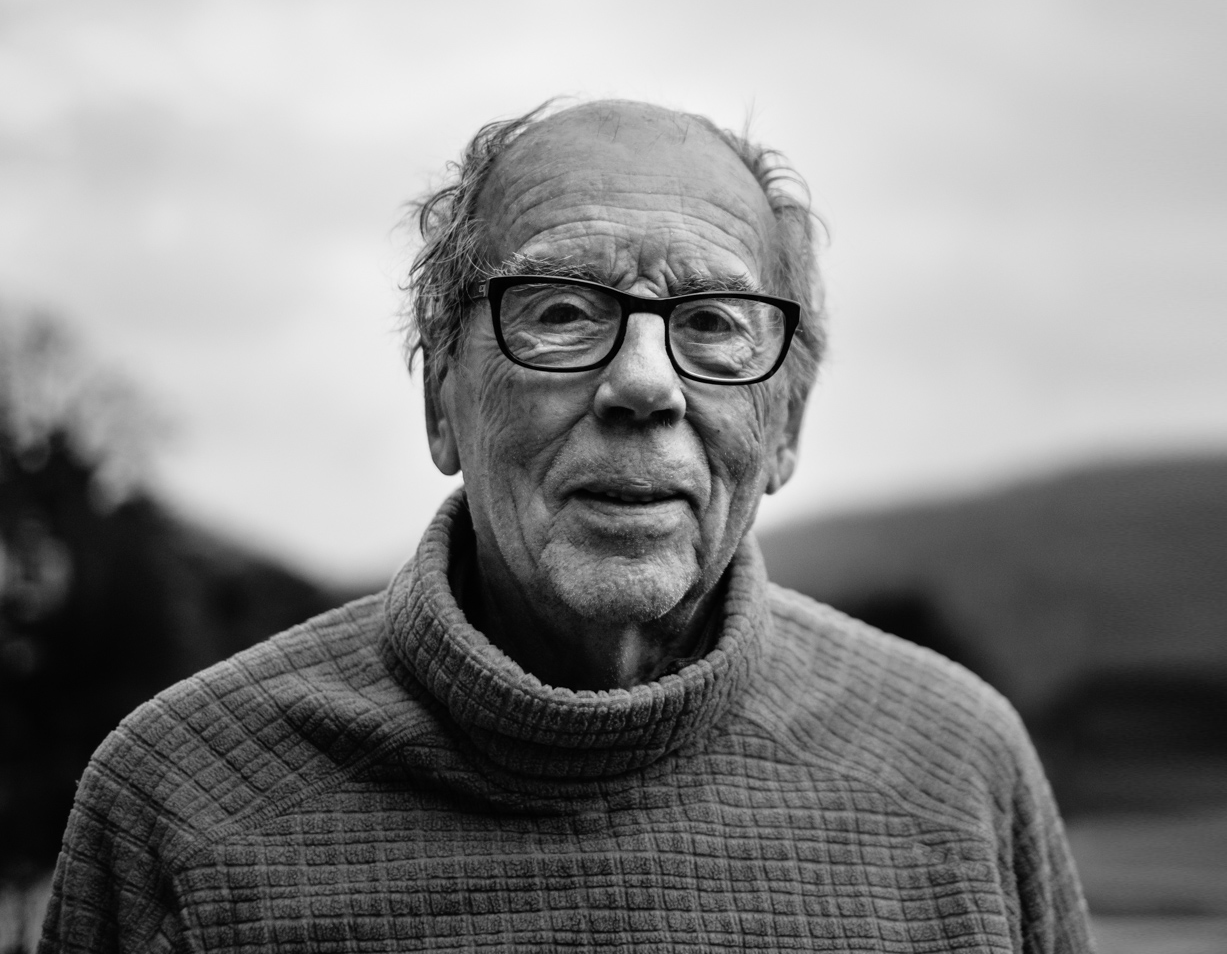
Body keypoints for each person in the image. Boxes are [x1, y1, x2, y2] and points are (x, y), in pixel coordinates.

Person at [38, 100, 1093, 953]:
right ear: (442, 400)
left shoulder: (960, 770)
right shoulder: (177, 800)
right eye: (560, 310)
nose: (645, 384)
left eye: (712, 324)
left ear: (785, 427)